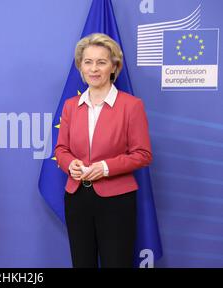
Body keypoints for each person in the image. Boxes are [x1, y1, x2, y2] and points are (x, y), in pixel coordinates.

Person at [54, 33, 152, 268]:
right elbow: (61, 149)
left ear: (114, 66)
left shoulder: (131, 105)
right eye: (88, 62)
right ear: (80, 67)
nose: (94, 69)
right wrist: (70, 164)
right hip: (76, 198)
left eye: (101, 62)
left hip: (117, 201)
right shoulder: (70, 106)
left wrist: (106, 168)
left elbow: (143, 154)